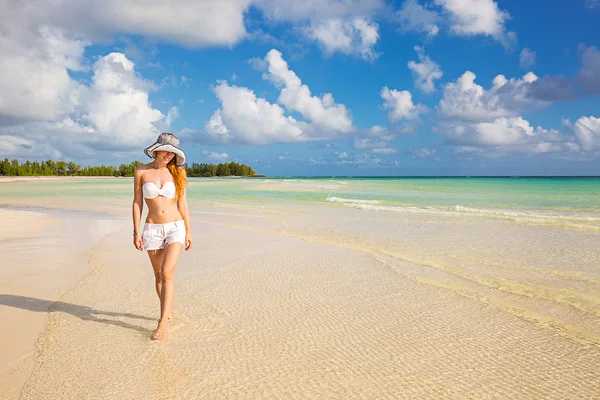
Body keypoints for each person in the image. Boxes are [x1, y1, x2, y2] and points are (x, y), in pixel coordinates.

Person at [132, 133, 193, 340]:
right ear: (157, 149)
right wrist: (136, 231)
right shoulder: (141, 171)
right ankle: (168, 312)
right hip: (152, 229)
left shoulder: (178, 174)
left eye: (173, 152)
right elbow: (137, 202)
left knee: (167, 272)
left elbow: (183, 204)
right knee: (158, 275)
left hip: (175, 227)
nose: (169, 155)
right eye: (166, 150)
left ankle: (162, 322)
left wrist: (189, 231)